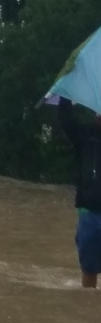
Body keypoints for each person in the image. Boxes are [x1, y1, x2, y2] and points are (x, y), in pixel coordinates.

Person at [58, 96, 101, 288]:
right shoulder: (85, 136)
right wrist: (65, 96)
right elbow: (66, 122)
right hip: (89, 212)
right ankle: (87, 305)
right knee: (89, 268)